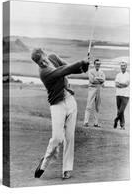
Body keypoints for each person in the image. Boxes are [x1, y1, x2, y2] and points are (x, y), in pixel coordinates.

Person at [31, 48, 89, 179]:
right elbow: (63, 71)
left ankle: (67, 169)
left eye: (44, 60)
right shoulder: (44, 73)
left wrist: (82, 69)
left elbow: (67, 66)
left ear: (46, 55)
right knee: (57, 138)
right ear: (37, 64)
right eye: (40, 63)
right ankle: (43, 164)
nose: (44, 64)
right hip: (57, 105)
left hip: (70, 100)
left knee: (70, 137)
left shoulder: (53, 56)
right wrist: (81, 62)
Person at [83, 59, 105, 127]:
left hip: (98, 90)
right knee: (89, 106)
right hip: (92, 89)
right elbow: (92, 80)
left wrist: (97, 79)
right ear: (94, 64)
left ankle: (96, 123)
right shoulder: (91, 71)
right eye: (97, 64)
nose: (98, 65)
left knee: (97, 107)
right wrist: (100, 80)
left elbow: (103, 80)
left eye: (99, 64)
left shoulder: (101, 72)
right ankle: (85, 122)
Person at [114, 61, 129, 130]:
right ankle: (122, 125)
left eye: (124, 66)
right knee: (120, 111)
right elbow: (116, 84)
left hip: (126, 95)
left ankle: (116, 119)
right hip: (118, 94)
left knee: (121, 110)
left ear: (126, 66)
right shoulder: (118, 75)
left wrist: (120, 84)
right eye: (121, 66)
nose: (122, 67)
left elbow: (127, 84)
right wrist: (122, 85)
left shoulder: (128, 75)